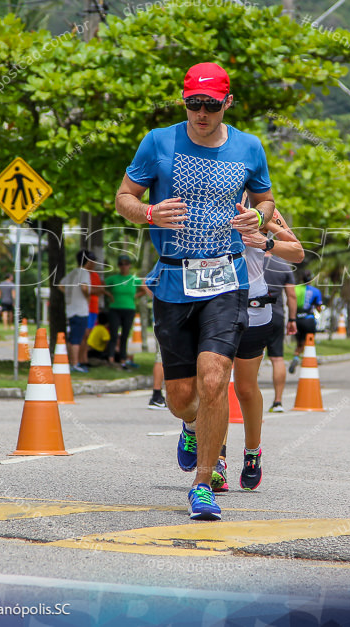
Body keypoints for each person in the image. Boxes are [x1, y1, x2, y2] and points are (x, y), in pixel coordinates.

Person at [115, 61, 274, 521]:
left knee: (214, 379)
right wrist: (147, 213)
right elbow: (125, 195)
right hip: (172, 279)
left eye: (209, 105)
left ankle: (203, 483)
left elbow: (265, 199)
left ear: (227, 103)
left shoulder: (249, 147)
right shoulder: (158, 141)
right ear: (184, 101)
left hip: (226, 279)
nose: (200, 113)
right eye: (192, 104)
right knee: (181, 397)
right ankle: (189, 424)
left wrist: (258, 218)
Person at [209, 207, 303, 492]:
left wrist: (267, 241)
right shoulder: (207, 204)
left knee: (246, 389)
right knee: (216, 385)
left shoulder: (263, 211)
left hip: (255, 309)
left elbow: (297, 252)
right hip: (216, 306)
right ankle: (216, 461)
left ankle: (252, 453)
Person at [263, 253, 297, 412]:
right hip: (275, 315)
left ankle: (244, 401)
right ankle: (278, 402)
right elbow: (292, 296)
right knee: (277, 359)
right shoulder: (283, 266)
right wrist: (292, 320)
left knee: (246, 358)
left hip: (252, 314)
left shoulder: (247, 260)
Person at [105, 254, 146, 368]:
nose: (124, 266)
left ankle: (123, 359)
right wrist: (109, 294)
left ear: (129, 265)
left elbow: (144, 289)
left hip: (129, 309)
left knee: (125, 335)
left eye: (126, 264)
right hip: (115, 309)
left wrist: (135, 296)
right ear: (119, 266)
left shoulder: (134, 279)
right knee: (113, 334)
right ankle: (111, 359)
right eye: (121, 264)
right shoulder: (113, 278)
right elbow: (100, 287)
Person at [59, 249, 97, 373]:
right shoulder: (84, 273)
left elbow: (60, 285)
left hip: (70, 309)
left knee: (72, 338)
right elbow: (84, 287)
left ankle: (71, 362)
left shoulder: (73, 272)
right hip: (80, 310)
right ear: (88, 261)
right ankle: (75, 364)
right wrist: (86, 296)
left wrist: (69, 295)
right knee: (77, 338)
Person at [289, 270, 323, 373]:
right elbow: (319, 308)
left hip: (297, 320)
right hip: (308, 319)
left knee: (299, 342)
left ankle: (296, 357)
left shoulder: (295, 289)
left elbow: (289, 302)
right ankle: (309, 359)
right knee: (309, 341)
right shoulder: (315, 291)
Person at [80, 257, 104, 367]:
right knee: (84, 334)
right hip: (85, 308)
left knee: (88, 335)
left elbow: (100, 290)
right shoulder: (82, 273)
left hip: (94, 308)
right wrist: (93, 290)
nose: (94, 264)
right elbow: (86, 289)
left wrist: (93, 290)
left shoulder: (95, 275)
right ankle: (81, 359)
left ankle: (85, 359)